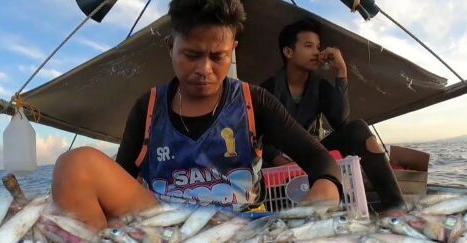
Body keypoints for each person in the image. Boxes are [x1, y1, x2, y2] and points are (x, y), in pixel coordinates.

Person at [51, 0, 343, 229]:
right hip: (166, 230)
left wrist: (317, 202)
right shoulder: (148, 108)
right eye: (192, 55)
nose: (204, 69)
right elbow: (122, 181)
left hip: (242, 231)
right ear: (171, 48)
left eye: (218, 57)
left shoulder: (255, 101)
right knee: (76, 165)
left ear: (233, 51)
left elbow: (323, 163)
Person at [260, 18, 405, 212]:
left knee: (357, 130)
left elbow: (340, 121)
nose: (316, 52)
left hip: (310, 154)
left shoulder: (319, 86)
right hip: (275, 165)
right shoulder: (266, 90)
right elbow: (257, 137)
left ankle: (396, 207)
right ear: (288, 52)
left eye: (318, 47)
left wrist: (342, 71)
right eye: (308, 46)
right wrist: (280, 160)